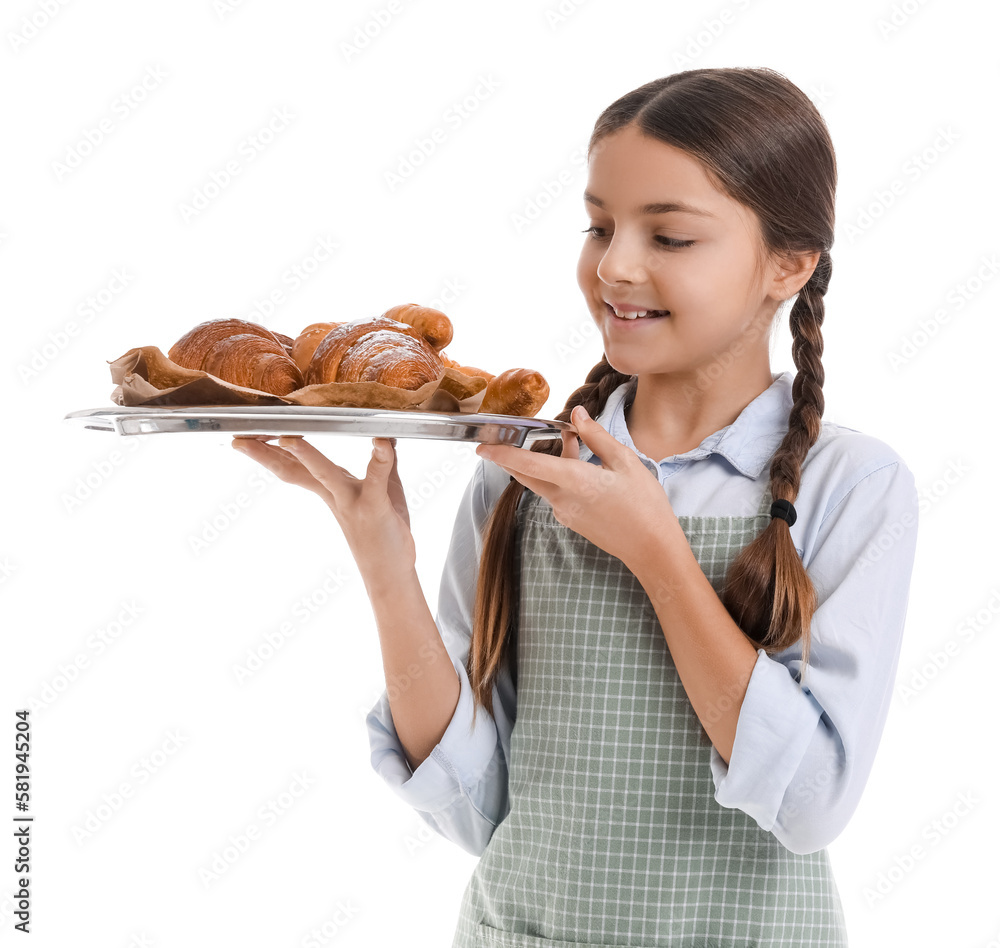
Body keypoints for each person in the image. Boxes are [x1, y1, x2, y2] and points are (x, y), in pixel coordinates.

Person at [232, 67, 919, 947]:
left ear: (789, 264)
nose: (616, 267)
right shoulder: (524, 472)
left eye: (669, 236)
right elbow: (476, 810)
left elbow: (812, 803)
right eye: (600, 227)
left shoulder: (851, 485)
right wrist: (385, 565)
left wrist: (659, 557)